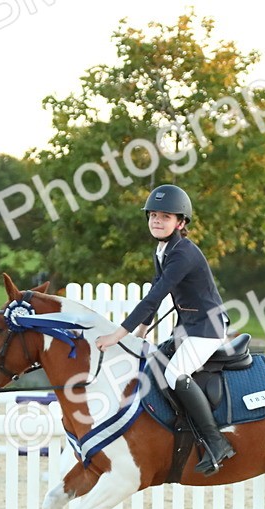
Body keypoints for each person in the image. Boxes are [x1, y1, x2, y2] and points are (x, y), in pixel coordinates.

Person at [94, 184, 235, 475]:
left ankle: (216, 441)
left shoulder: (183, 253)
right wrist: (141, 334)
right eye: (153, 215)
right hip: (188, 327)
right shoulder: (162, 250)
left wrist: (117, 336)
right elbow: (159, 295)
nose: (157, 221)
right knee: (156, 363)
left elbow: (154, 297)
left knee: (174, 374)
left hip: (207, 329)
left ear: (181, 223)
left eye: (165, 217)